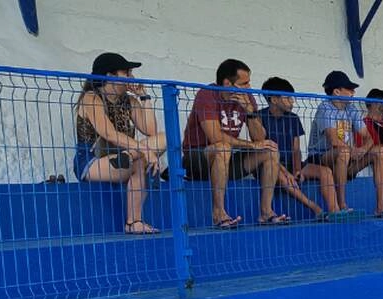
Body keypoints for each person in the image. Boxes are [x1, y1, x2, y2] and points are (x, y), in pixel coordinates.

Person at [182, 58, 284, 229]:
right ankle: (218, 213)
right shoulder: (206, 94)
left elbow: (260, 139)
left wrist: (249, 112)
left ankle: (266, 212)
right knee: (222, 147)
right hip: (197, 158)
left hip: (226, 159)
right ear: (227, 83)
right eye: (244, 83)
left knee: (270, 150)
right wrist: (251, 146)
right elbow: (215, 136)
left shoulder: (247, 98)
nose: (249, 87)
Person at [74, 53, 166, 235]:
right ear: (110, 76)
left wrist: (144, 97)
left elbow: (150, 131)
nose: (132, 78)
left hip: (123, 158)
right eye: (127, 73)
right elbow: (108, 133)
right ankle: (134, 221)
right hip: (92, 161)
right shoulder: (91, 98)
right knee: (140, 156)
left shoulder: (129, 101)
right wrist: (144, 150)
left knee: (164, 137)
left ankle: (134, 223)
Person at [307, 70, 383, 218]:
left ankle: (381, 207)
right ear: (337, 91)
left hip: (346, 158)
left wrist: (363, 149)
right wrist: (352, 150)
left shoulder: (350, 108)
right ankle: (341, 206)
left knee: (379, 152)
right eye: (349, 89)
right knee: (344, 152)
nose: (353, 92)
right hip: (321, 158)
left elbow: (370, 138)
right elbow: (334, 141)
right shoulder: (325, 108)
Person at [257, 77, 336, 219]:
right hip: (272, 165)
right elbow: (265, 150)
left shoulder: (293, 118)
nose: (292, 101)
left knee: (326, 172)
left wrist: (297, 169)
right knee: (284, 177)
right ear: (274, 100)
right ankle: (316, 209)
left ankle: (334, 211)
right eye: (288, 98)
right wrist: (287, 172)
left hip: (291, 163)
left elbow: (296, 149)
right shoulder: (259, 117)